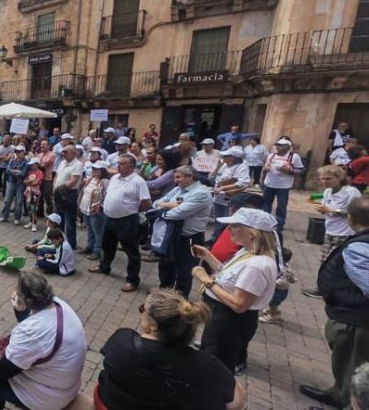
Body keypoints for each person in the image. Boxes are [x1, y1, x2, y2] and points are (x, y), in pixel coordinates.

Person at [96, 289, 246, 410]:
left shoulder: (122, 339)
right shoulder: (206, 364)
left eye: (143, 308)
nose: (141, 310)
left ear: (154, 325)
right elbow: (237, 402)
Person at [0, 270, 85, 410]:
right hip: (64, 385)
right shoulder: (58, 304)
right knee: (1, 358)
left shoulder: (31, 332)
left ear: (25, 301)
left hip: (49, 397)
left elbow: (4, 370)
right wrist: (19, 309)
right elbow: (31, 323)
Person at [190, 208, 280, 373]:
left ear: (253, 233)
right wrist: (208, 256)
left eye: (235, 225)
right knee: (210, 357)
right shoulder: (247, 251)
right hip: (221, 316)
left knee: (215, 366)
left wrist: (206, 280)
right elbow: (229, 275)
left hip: (230, 321)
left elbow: (239, 304)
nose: (229, 228)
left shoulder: (257, 266)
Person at [299, 197, 369, 409]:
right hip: (351, 313)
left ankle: (349, 402)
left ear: (350, 218)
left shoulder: (360, 246)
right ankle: (338, 393)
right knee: (345, 361)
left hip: (356, 319)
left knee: (354, 365)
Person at [90, 154, 152, 292]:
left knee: (131, 251)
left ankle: (132, 280)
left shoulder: (138, 181)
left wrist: (131, 210)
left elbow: (146, 203)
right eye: (118, 163)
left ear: (132, 166)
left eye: (122, 164)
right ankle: (104, 266)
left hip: (127, 220)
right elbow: (109, 195)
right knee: (107, 245)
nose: (118, 166)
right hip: (110, 218)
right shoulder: (114, 178)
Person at [151, 165, 213, 297]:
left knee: (184, 271)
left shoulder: (201, 193)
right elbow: (156, 203)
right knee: (165, 265)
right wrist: (169, 205)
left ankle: (179, 301)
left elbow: (178, 214)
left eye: (178, 177)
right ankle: (163, 294)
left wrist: (161, 211)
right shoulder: (178, 189)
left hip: (189, 238)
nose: (175, 180)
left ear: (190, 177)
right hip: (171, 235)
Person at [209, 147, 251, 243]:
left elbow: (243, 182)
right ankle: (214, 238)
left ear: (232, 158)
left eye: (226, 156)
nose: (223, 157)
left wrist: (223, 188)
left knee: (227, 222)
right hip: (218, 198)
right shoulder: (224, 165)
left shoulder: (242, 167)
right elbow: (211, 177)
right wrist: (218, 166)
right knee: (218, 220)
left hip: (229, 199)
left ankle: (223, 241)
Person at [262, 138, 305, 230]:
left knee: (281, 205)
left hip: (283, 186)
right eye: (277, 145)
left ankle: (279, 223)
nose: (278, 147)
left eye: (281, 146)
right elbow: (265, 168)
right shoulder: (271, 156)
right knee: (266, 204)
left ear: (287, 147)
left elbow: (301, 170)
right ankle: (265, 221)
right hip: (269, 184)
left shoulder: (294, 157)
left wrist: (290, 171)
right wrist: (264, 174)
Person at [53, 146, 83, 249]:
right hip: (59, 193)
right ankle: (60, 241)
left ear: (73, 154)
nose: (63, 154)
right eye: (63, 152)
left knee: (70, 221)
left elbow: (74, 180)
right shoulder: (62, 162)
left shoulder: (78, 164)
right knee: (58, 219)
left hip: (69, 194)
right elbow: (57, 177)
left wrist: (60, 189)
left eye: (66, 152)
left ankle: (71, 244)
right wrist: (55, 189)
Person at [80, 161, 109, 261]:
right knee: (90, 229)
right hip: (86, 207)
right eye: (93, 169)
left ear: (102, 171)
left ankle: (97, 251)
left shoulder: (105, 182)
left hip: (96, 210)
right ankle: (89, 247)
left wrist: (100, 206)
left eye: (96, 169)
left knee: (98, 232)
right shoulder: (91, 178)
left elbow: (107, 196)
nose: (93, 171)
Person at [0, 145, 28, 225]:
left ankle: (17, 218)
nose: (17, 153)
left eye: (19, 151)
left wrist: (13, 171)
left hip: (20, 184)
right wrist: (16, 171)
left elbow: (23, 174)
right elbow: (7, 171)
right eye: (16, 151)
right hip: (12, 182)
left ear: (23, 152)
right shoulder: (12, 160)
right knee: (7, 200)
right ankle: (4, 216)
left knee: (19, 202)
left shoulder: (26, 162)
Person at [23, 158, 44, 232]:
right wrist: (30, 181)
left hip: (35, 193)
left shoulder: (40, 172)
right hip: (29, 192)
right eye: (31, 165)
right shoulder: (30, 172)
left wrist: (29, 182)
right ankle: (31, 222)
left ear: (37, 164)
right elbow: (24, 181)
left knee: (33, 209)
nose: (31, 166)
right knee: (29, 207)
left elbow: (37, 182)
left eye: (33, 164)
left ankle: (34, 224)